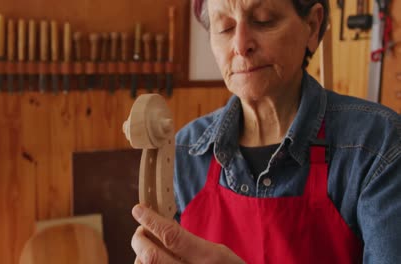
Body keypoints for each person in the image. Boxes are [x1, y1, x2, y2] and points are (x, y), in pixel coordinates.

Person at [130, 0, 401, 263]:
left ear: (312, 25)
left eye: (263, 20)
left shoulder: (377, 145)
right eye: (224, 27)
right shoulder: (185, 152)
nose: (240, 45)